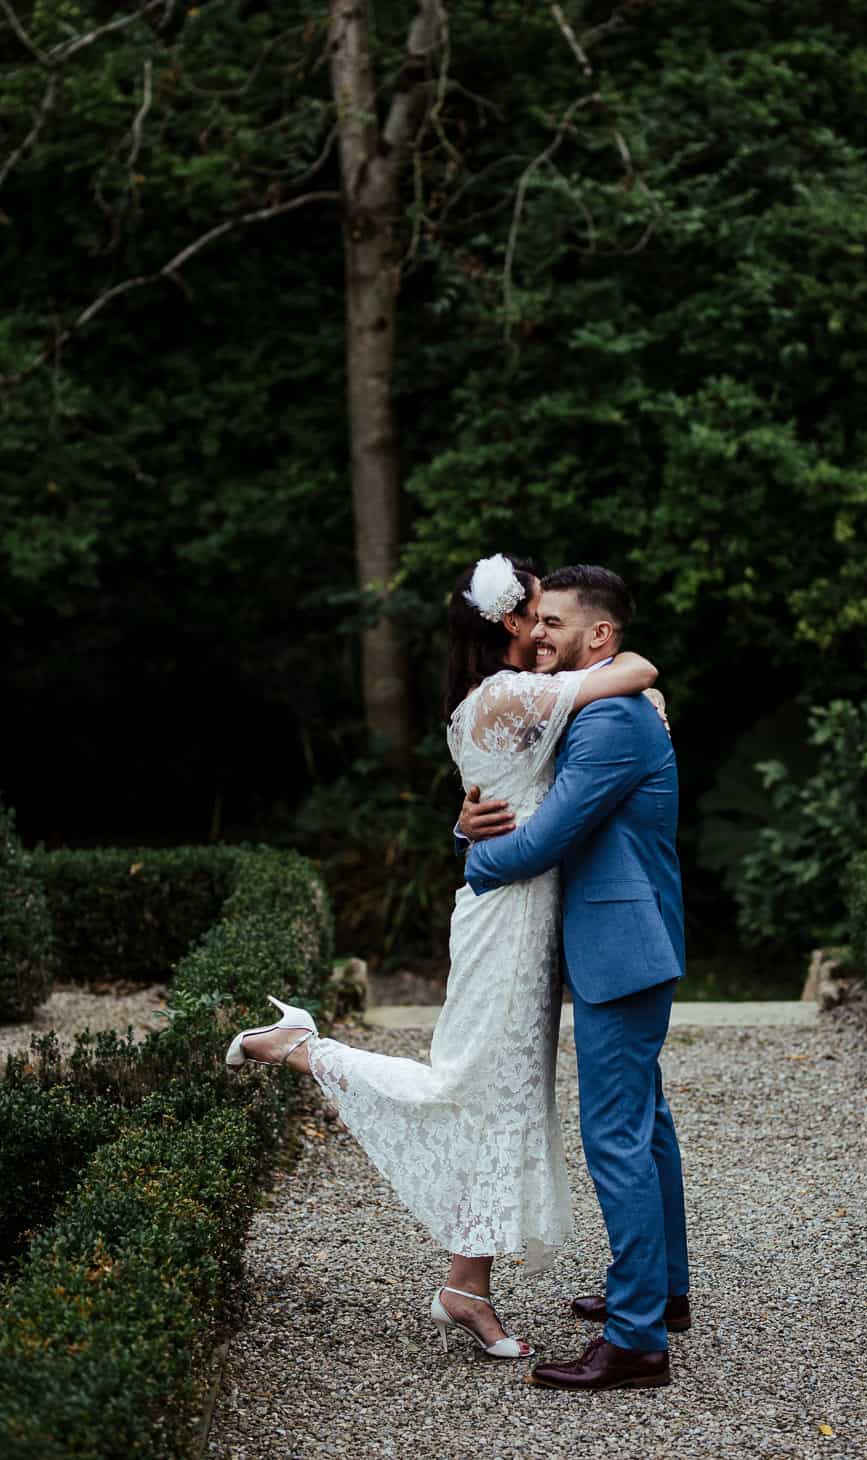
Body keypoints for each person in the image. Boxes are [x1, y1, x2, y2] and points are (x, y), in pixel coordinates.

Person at [224, 553, 660, 1363]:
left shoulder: (502, 695)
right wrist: (639, 682)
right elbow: (635, 667)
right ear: (509, 623)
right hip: (505, 912)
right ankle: (301, 1049)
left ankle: (467, 1283)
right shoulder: (509, 694)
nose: (547, 623)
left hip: (531, 917)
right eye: (538, 610)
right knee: (464, 1081)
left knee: (512, 1097)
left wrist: (467, 822)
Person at [460, 564, 689, 1392]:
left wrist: (469, 857)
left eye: (552, 621)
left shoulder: (612, 722)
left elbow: (538, 842)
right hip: (626, 939)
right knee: (646, 1125)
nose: (537, 632)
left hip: (620, 948)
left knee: (616, 1136)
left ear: (601, 635)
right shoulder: (598, 705)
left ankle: (635, 1344)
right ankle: (662, 1294)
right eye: (534, 619)